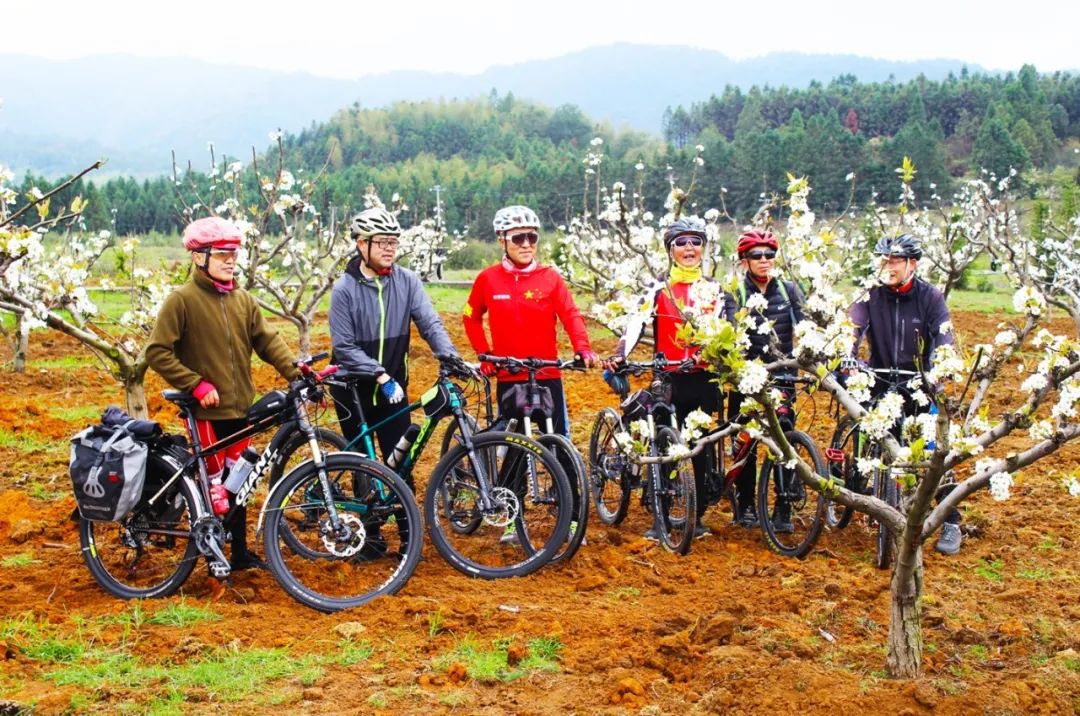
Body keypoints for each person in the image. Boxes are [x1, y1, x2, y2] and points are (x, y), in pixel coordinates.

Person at [146, 216, 300, 571]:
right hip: (204, 413)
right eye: (222, 254)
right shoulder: (181, 301)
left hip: (239, 408)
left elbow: (267, 342)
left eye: (234, 253)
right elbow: (157, 351)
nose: (231, 260)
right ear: (200, 257)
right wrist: (195, 384)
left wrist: (295, 372)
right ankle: (210, 550)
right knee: (215, 487)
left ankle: (240, 553)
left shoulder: (243, 301)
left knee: (239, 484)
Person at [462, 205, 598, 542]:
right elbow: (470, 316)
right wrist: (485, 354)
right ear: (502, 240)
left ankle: (572, 518)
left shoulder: (550, 278)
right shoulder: (488, 279)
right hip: (510, 376)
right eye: (519, 238)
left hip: (548, 374)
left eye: (532, 237)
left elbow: (571, 315)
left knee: (560, 445)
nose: (527, 244)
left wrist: (582, 347)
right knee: (515, 446)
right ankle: (510, 517)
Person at [608, 217, 735, 540]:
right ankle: (659, 513)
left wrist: (712, 355)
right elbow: (636, 322)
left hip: (702, 376)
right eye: (681, 243)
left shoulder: (715, 290)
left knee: (700, 445)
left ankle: (698, 511)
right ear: (670, 250)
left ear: (703, 248)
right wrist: (622, 352)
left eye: (695, 242)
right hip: (668, 375)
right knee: (662, 440)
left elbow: (726, 329)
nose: (689, 248)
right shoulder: (658, 287)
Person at [849, 232, 962, 555]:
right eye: (882, 260)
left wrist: (940, 369)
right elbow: (852, 328)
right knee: (878, 436)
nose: (887, 266)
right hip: (881, 380)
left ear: (912, 264)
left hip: (920, 385)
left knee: (933, 452)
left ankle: (951, 521)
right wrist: (849, 357)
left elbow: (944, 337)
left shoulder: (930, 297)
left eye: (894, 261)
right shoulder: (870, 294)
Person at [328, 206, 459, 480]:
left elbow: (430, 323)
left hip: (394, 391)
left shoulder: (407, 282)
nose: (390, 248)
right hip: (353, 392)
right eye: (382, 242)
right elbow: (344, 348)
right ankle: (369, 523)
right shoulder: (344, 290)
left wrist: (451, 356)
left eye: (393, 242)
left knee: (402, 466)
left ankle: (405, 524)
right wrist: (379, 375)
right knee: (362, 469)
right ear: (362, 244)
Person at [727, 229, 805, 530]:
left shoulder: (788, 290)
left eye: (769, 255)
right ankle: (745, 504)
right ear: (744, 261)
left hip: (782, 376)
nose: (764, 261)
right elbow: (730, 329)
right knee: (746, 441)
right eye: (756, 255)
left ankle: (783, 506)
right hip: (745, 380)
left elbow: (806, 323)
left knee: (784, 439)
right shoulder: (736, 292)